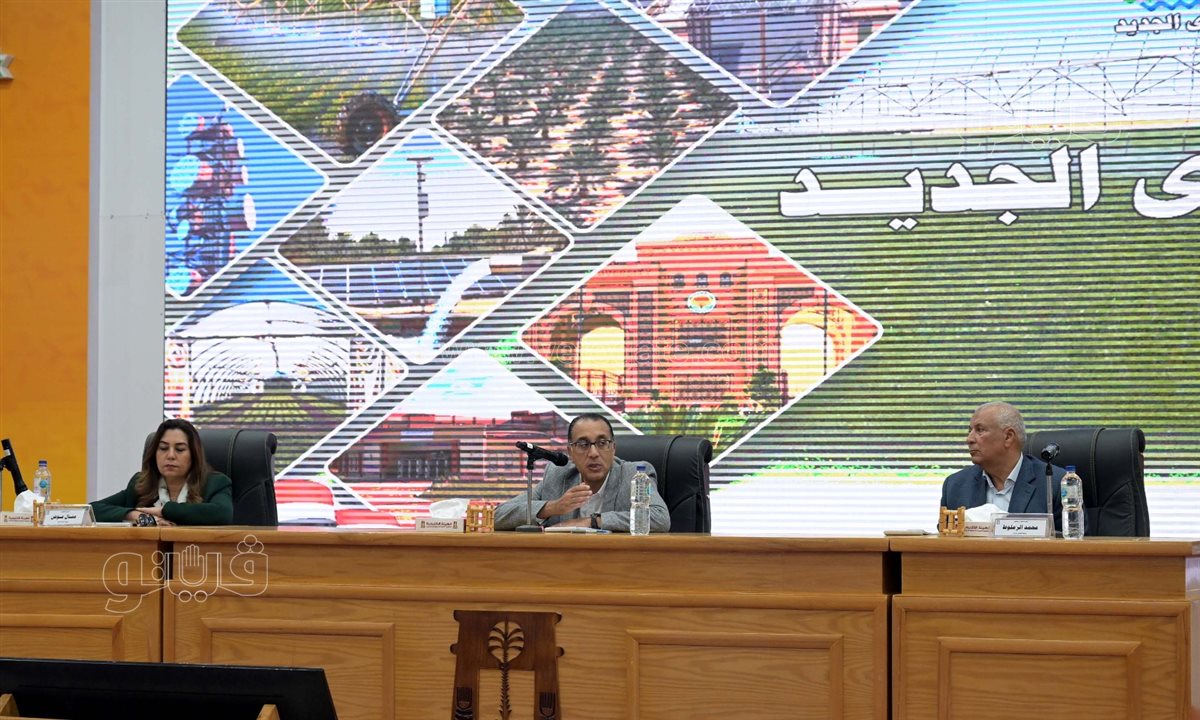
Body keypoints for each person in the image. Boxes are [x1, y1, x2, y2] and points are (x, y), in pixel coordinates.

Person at [494, 413, 670, 532]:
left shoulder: (634, 475)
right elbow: (498, 515)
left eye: (602, 443)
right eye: (583, 444)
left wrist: (592, 521)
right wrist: (553, 507)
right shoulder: (558, 475)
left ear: (613, 448)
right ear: (570, 452)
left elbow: (659, 518)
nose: (593, 453)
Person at [941, 401, 1067, 528]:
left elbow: (1072, 537)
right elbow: (944, 538)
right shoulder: (955, 486)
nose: (969, 439)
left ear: (1008, 437)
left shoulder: (1056, 484)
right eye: (970, 431)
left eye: (980, 430)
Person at [91, 418, 233, 526]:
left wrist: (164, 511)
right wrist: (135, 515)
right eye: (163, 448)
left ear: (194, 455)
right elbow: (92, 510)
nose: (170, 455)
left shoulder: (214, 483)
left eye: (180, 449)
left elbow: (223, 514)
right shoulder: (141, 484)